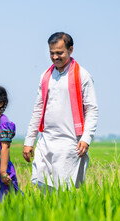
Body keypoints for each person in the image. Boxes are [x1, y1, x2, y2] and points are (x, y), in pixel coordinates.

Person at [23, 32, 98, 193]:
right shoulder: (45, 76)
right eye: (52, 53)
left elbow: (91, 109)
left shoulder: (82, 75)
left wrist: (86, 138)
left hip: (70, 141)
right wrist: (29, 140)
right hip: (46, 140)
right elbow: (38, 108)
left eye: (59, 53)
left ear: (70, 50)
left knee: (64, 190)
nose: (55, 57)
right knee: (42, 185)